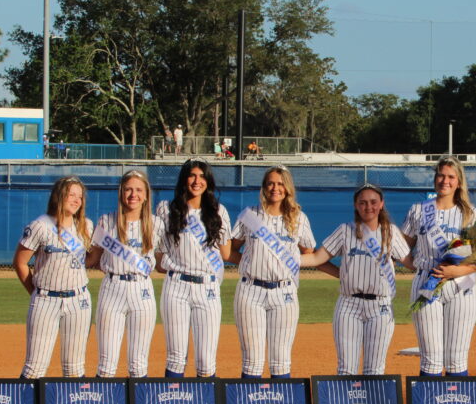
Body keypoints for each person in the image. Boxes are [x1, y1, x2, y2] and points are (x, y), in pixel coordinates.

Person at [301, 184, 411, 374]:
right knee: (346, 369)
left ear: (381, 204)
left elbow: (411, 263)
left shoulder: (391, 232)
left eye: (373, 202)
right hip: (348, 305)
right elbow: (317, 259)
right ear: (356, 205)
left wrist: (448, 261)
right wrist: (286, 258)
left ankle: (372, 396)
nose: (368, 207)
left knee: (374, 370)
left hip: (380, 307)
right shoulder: (345, 230)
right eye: (363, 202)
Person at [229, 166, 319, 378]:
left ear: (287, 188)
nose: (275, 188)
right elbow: (231, 250)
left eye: (280, 184)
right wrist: (251, 262)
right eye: (270, 183)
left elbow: (308, 252)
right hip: (250, 291)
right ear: (263, 187)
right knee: (252, 361)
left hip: (284, 292)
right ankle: (249, 400)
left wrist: (285, 264)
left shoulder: (298, 218)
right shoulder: (250, 215)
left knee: (280, 361)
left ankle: (281, 400)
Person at [401, 156, 476, 376]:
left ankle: (457, 398)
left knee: (457, 361)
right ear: (435, 178)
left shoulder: (470, 214)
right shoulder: (418, 210)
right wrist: (418, 267)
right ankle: (428, 400)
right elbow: (401, 248)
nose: (444, 181)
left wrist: (458, 270)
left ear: (459, 181)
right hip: (426, 285)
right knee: (430, 361)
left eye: (450, 176)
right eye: (440, 175)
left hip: (461, 287)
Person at [155, 159, 231, 377]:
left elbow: (226, 254)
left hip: (207, 287)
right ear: (184, 179)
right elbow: (159, 255)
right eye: (192, 176)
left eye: (202, 176)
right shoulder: (166, 209)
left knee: (206, 361)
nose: (197, 181)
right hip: (176, 286)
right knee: (176, 358)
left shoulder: (218, 211)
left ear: (208, 181)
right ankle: (172, 397)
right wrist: (174, 265)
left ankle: (206, 401)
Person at [12, 176, 93, 379]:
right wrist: (36, 294)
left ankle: (73, 401)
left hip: (78, 301)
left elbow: (91, 260)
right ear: (58, 196)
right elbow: (20, 262)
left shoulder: (86, 226)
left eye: (80, 196)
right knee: (34, 368)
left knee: (74, 369)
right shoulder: (41, 225)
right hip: (46, 299)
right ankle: (26, 402)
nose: (76, 200)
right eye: (71, 195)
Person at [86, 170, 163, 378]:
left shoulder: (156, 224)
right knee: (106, 364)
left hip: (142, 290)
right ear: (121, 192)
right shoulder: (106, 221)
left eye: (138, 190)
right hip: (112, 288)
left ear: (146, 195)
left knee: (138, 365)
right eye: (128, 189)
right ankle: (105, 400)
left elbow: (162, 261)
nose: (133, 194)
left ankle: (138, 401)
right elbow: (92, 259)